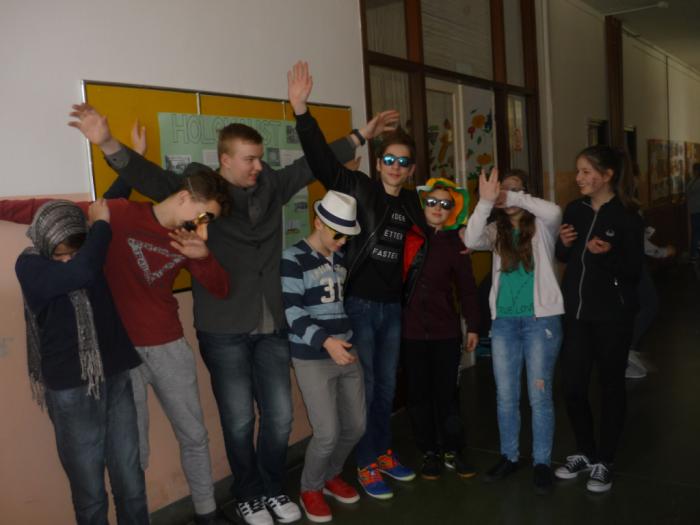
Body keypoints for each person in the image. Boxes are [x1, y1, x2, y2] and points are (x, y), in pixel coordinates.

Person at [71, 99, 394, 525]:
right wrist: (108, 142)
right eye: (250, 159)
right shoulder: (203, 192)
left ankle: (272, 488)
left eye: (259, 158)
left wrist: (361, 135)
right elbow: (148, 177)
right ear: (225, 160)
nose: (258, 166)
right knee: (239, 420)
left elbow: (311, 163)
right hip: (223, 328)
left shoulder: (272, 185)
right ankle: (248, 494)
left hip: (273, 325)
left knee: (279, 418)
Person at [1, 159, 232, 524]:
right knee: (133, 453)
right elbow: (50, 212)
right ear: (185, 197)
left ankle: (207, 513)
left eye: (209, 222)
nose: (203, 228)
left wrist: (202, 258)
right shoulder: (120, 216)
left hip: (164, 346)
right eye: (203, 216)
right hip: (122, 355)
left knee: (193, 436)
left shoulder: (189, 239)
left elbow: (221, 289)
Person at [289, 60, 425, 499]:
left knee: (386, 387)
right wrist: (301, 111)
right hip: (361, 305)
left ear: (411, 169)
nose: (395, 167)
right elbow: (322, 162)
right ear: (379, 163)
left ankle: (381, 452)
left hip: (393, 306)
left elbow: (442, 224)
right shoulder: (361, 190)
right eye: (389, 159)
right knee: (366, 390)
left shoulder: (413, 206)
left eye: (403, 162)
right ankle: (365, 463)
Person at [14, 199, 148, 525]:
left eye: (75, 252)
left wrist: (125, 169)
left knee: (130, 479)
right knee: (90, 493)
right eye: (59, 255)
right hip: (71, 388)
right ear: (44, 241)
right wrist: (101, 225)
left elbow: (108, 201)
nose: (68, 260)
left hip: (115, 372)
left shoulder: (88, 251)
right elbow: (81, 272)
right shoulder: (29, 265)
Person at [464, 168, 564, 494]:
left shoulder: (544, 227)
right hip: (504, 324)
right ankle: (509, 456)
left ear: (526, 193)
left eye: (515, 189)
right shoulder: (496, 231)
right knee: (506, 396)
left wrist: (512, 196)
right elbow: (470, 239)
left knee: (539, 396)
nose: (506, 195)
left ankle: (542, 462)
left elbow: (554, 210)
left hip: (541, 323)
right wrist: (485, 202)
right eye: (502, 190)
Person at [555, 145, 644, 493]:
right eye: (578, 171)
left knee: (610, 386)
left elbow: (633, 271)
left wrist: (607, 256)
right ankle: (585, 451)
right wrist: (564, 244)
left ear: (607, 175)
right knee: (573, 386)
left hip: (613, 316)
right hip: (576, 315)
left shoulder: (627, 215)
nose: (579, 178)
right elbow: (565, 256)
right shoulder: (574, 209)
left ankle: (604, 460)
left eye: (586, 172)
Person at [281, 190, 365, 523]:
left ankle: (331, 475)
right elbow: (292, 311)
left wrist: (343, 341)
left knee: (356, 426)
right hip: (312, 355)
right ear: (318, 222)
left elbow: (339, 305)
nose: (343, 241)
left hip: (346, 349)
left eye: (347, 236)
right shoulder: (293, 258)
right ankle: (310, 488)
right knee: (327, 432)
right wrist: (326, 342)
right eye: (338, 234)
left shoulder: (339, 258)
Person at [401, 178, 479, 481]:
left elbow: (468, 289)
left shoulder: (457, 245)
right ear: (423, 205)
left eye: (445, 204)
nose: (437, 208)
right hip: (410, 333)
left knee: (447, 395)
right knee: (418, 396)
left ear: (452, 211)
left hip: (446, 333)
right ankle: (428, 451)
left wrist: (473, 326)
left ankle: (453, 449)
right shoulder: (408, 239)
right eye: (432, 202)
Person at [625, 226, 676, 379]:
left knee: (641, 306)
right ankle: (626, 349)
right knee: (650, 305)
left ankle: (627, 349)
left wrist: (647, 232)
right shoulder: (622, 212)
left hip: (631, 261)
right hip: (631, 262)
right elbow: (633, 236)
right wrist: (662, 252)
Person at [686, 163, 700, 262]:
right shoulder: (695, 181)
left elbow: (688, 193)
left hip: (694, 210)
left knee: (696, 232)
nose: (694, 172)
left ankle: (694, 253)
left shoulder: (692, 181)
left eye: (694, 170)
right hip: (697, 210)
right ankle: (694, 253)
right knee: (696, 232)